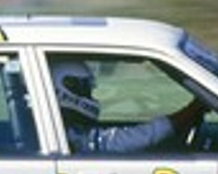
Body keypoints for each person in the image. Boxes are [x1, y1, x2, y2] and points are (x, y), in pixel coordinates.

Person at [52, 59, 209, 155]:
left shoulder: (60, 127)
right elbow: (118, 142)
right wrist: (192, 109)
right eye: (85, 88)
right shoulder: (67, 134)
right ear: (68, 86)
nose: (89, 95)